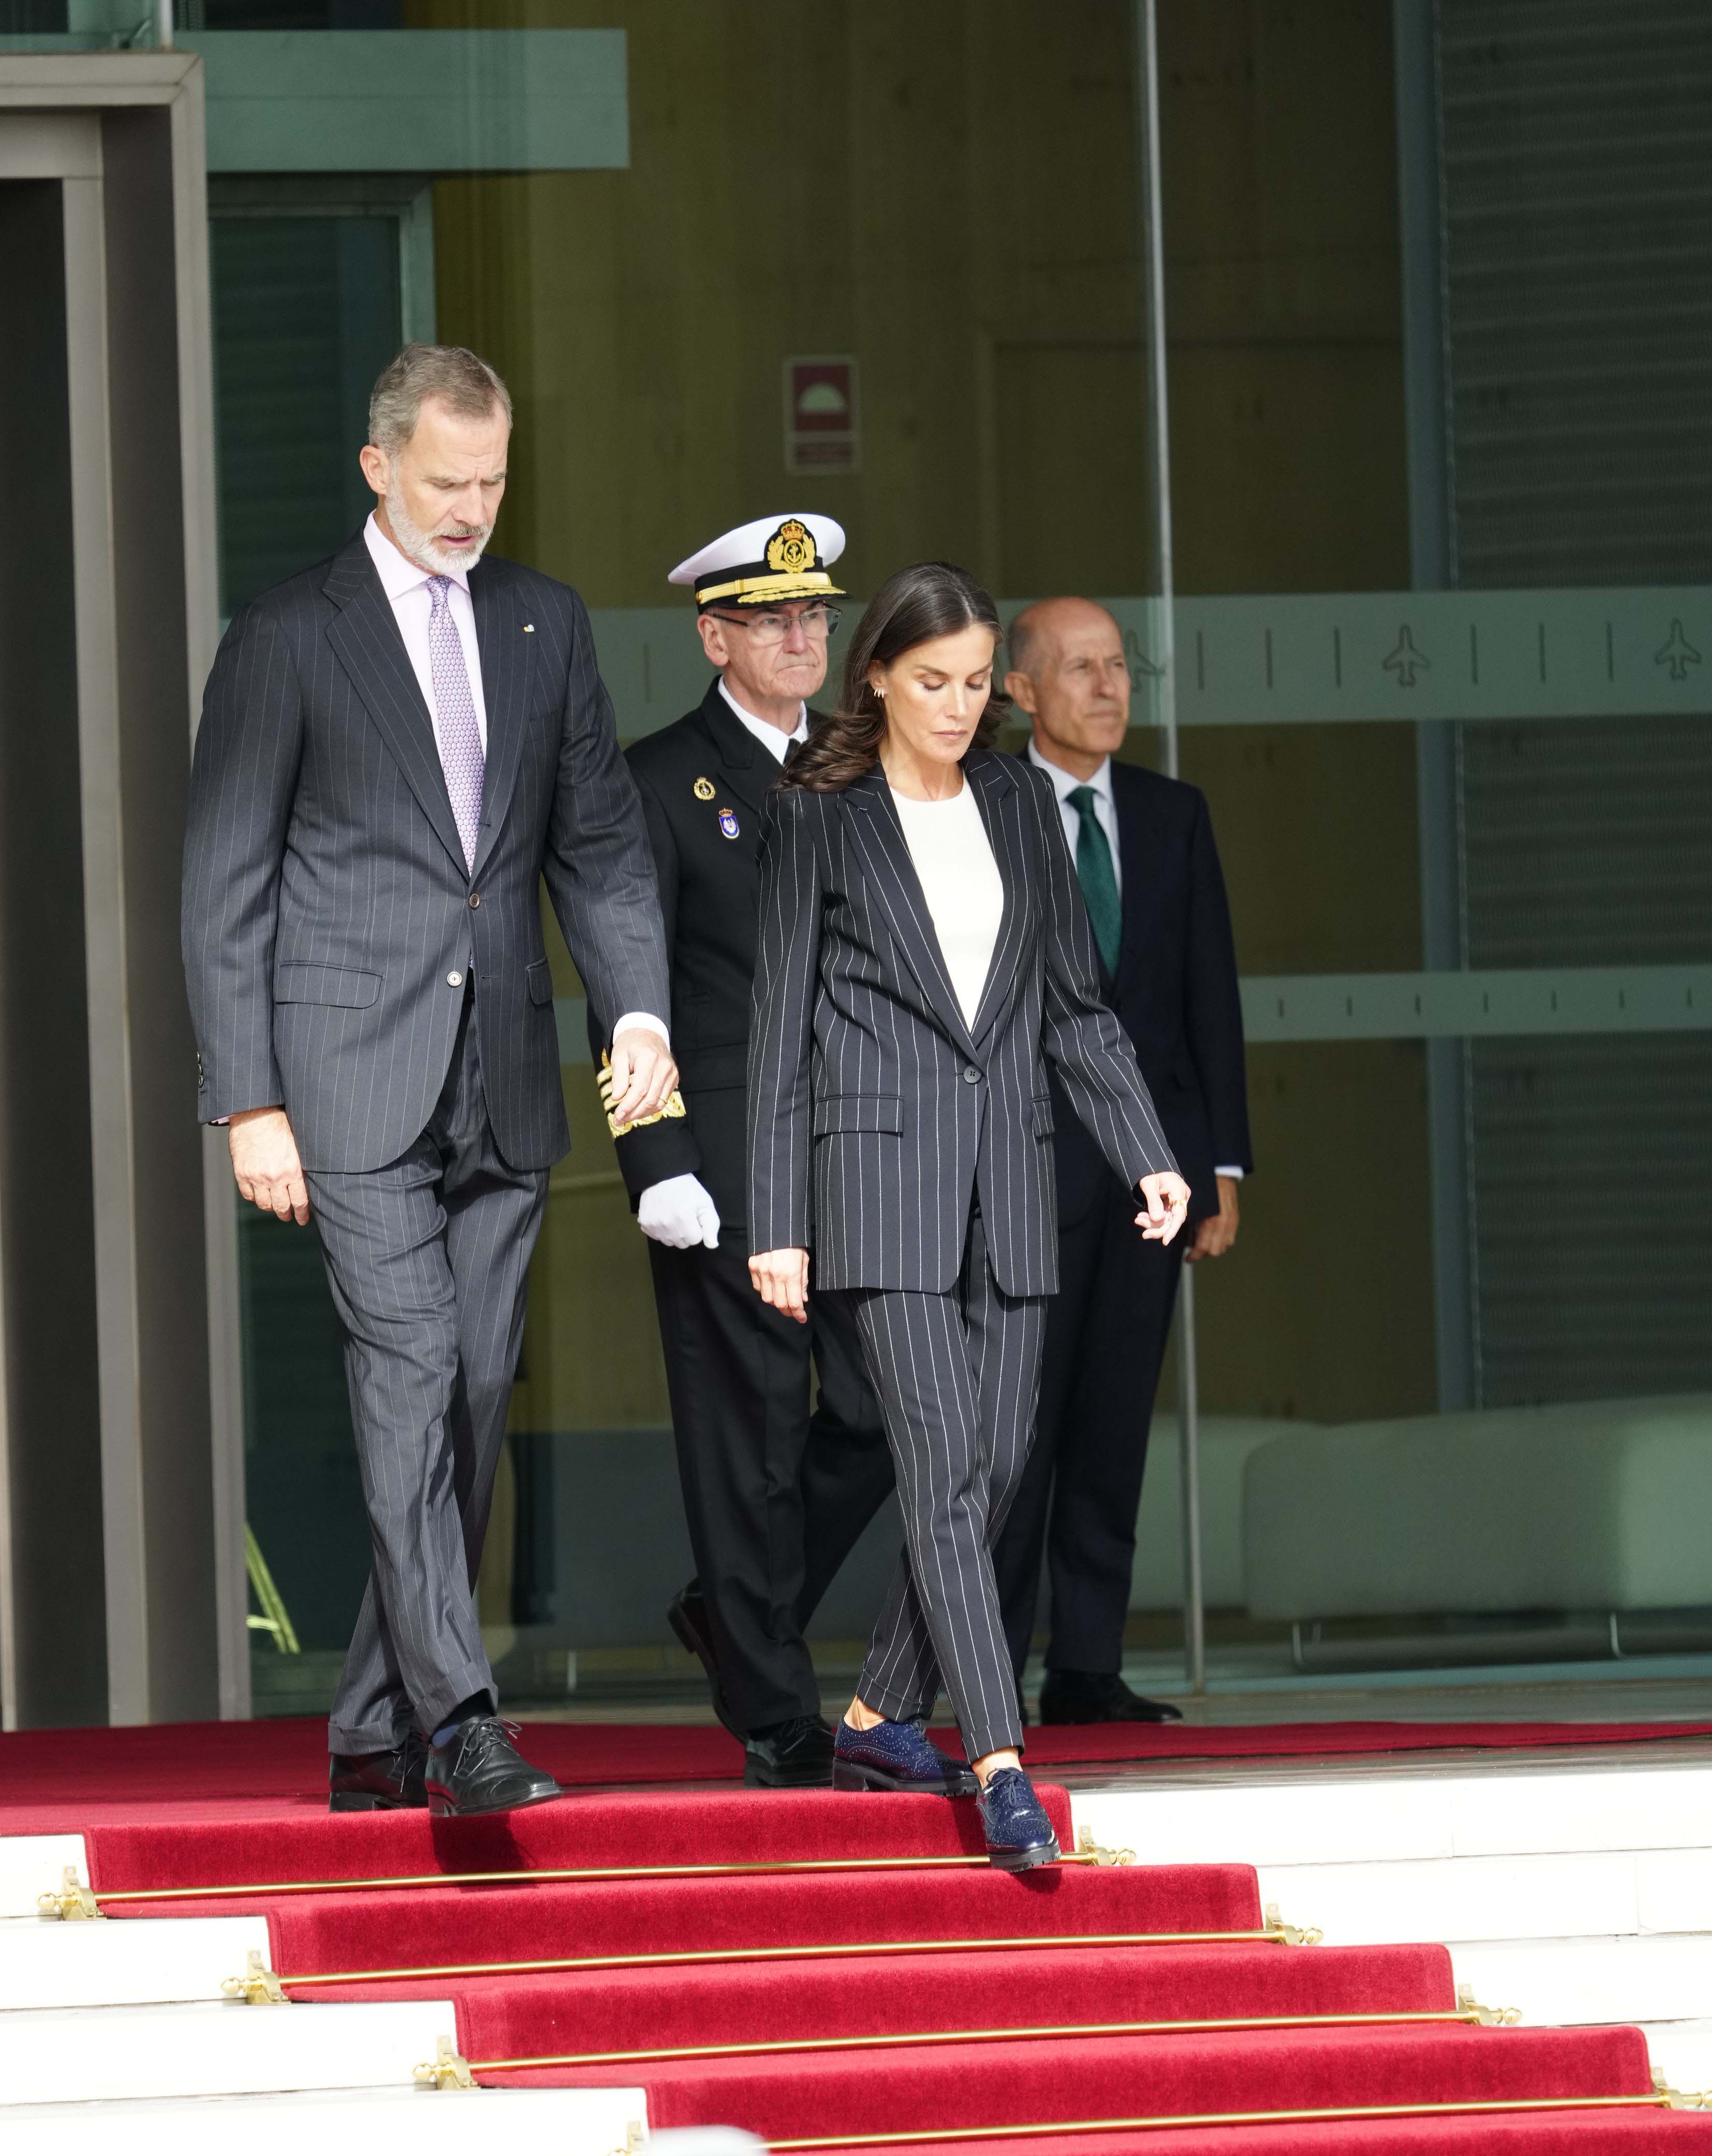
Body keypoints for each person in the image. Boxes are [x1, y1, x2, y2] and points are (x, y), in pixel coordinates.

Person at [182, 344, 674, 1817]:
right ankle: (461, 1717)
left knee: (467, 1389)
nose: (474, 508)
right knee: (405, 1374)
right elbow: (223, 887)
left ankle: (365, 1728)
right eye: (449, 481)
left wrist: (634, 1011)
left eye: (496, 480)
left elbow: (596, 844)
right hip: (346, 1077)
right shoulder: (288, 635)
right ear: (378, 466)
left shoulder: (543, 623)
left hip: (507, 1072)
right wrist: (246, 1101)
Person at [745, 562, 1188, 1870]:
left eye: (978, 682)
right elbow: (776, 1042)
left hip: (1017, 1181)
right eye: (932, 680)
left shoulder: (1013, 801)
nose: (958, 704)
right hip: (877, 1193)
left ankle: (882, 1715)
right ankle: (1000, 1762)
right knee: (944, 1471)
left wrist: (1145, 1153)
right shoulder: (814, 820)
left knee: (993, 1477)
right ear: (874, 673)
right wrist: (777, 1220)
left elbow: (1073, 1005)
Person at [594, 515, 894, 1787]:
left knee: (884, 1415)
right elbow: (628, 984)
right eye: (772, 618)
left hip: (858, 1144)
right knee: (749, 1427)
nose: (801, 635)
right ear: (714, 634)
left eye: (815, 615)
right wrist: (653, 1156)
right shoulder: (657, 778)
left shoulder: (863, 769)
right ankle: (776, 1710)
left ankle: (735, 1612)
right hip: (720, 1149)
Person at [993, 597, 1251, 1725]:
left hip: (1152, 1171)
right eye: (1081, 668)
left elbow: (1209, 999)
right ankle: (988, 1663)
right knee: (1018, 1426)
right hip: (1022, 1166)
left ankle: (1087, 1667)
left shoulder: (1171, 814)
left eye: (1118, 667)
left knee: (1110, 1420)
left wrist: (1222, 1168)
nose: (1109, 688)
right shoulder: (982, 807)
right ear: (1022, 690)